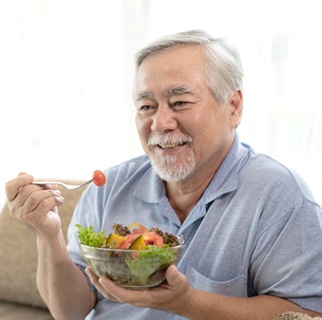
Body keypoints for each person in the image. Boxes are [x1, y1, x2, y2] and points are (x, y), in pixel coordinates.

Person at [5, 29, 322, 320]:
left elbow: (306, 315)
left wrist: (186, 302)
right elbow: (69, 312)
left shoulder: (281, 196)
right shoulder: (109, 187)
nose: (160, 123)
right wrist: (48, 235)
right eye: (146, 106)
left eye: (180, 102)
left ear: (234, 106)